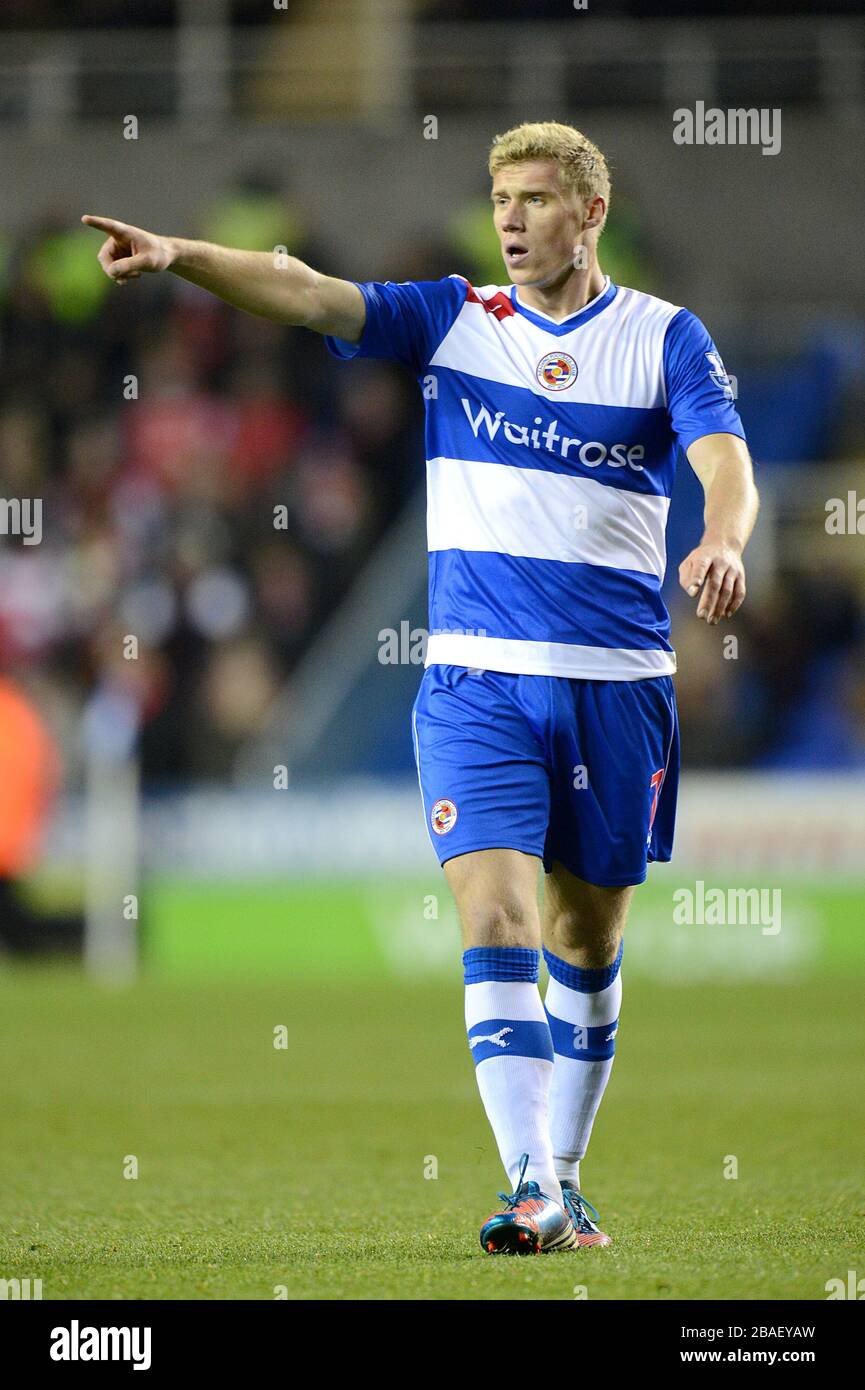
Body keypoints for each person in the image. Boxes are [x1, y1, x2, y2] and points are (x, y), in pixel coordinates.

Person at [82, 119, 759, 1256]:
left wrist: (725, 539)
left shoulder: (661, 339)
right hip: (473, 685)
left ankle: (567, 1177)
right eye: (499, 198)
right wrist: (183, 253)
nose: (509, 219)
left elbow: (721, 461)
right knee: (492, 916)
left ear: (589, 213)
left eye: (535, 200)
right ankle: (529, 1184)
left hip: (614, 686)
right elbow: (304, 292)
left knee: (583, 949)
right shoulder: (455, 318)